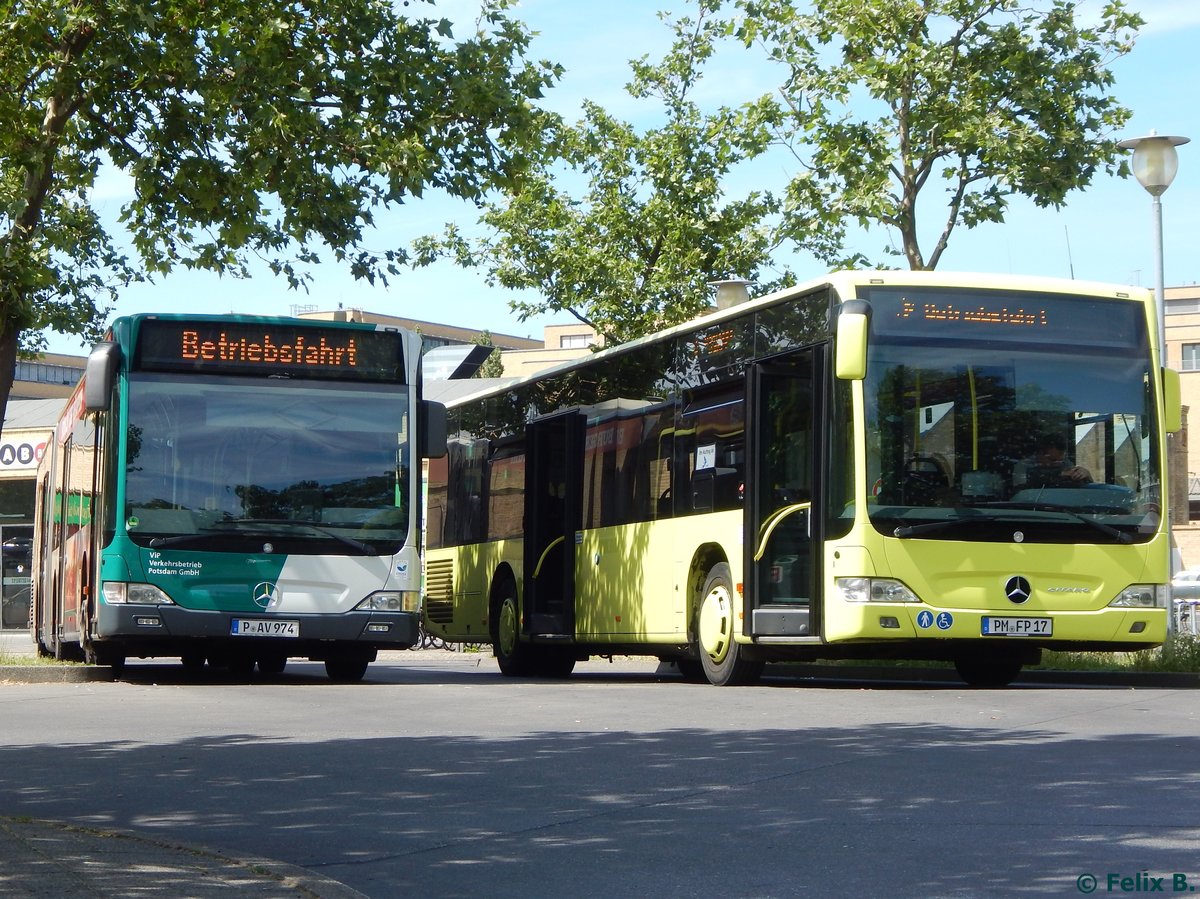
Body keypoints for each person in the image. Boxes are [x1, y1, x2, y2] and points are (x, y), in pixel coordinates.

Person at [1013, 432, 1091, 489]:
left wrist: (1086, 475)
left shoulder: (1064, 463)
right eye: (1052, 460)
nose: (1058, 464)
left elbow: (1082, 488)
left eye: (1061, 460)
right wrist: (1059, 475)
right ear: (1040, 454)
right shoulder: (1023, 466)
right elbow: (1022, 492)